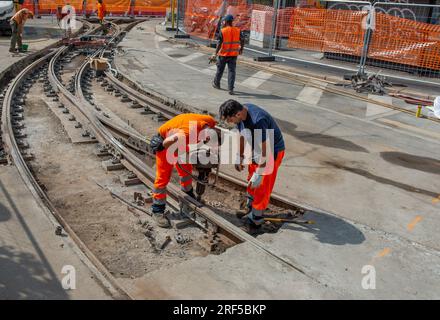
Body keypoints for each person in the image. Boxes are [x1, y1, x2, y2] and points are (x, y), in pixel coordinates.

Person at [219, 100, 285, 233]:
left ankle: (255, 221)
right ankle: (250, 208)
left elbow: (267, 152)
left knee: (262, 186)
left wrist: (260, 173)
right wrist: (240, 155)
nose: (229, 122)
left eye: (229, 119)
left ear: (237, 114)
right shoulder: (242, 112)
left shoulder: (258, 121)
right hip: (257, 149)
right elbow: (242, 134)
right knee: (251, 178)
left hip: (272, 152)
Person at [149, 113, 217, 228]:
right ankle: (157, 210)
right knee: (163, 177)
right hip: (166, 143)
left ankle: (189, 197)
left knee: (186, 171)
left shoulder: (210, 121)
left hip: (181, 142)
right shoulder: (187, 133)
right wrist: (161, 146)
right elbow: (168, 143)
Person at [211, 14, 245, 95]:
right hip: (233, 55)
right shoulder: (238, 30)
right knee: (232, 71)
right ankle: (230, 89)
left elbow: (219, 43)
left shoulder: (223, 31)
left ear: (226, 22)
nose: (223, 23)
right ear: (231, 22)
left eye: (223, 21)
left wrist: (215, 54)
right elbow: (243, 39)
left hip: (223, 55)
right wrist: (241, 48)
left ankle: (216, 83)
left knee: (220, 70)